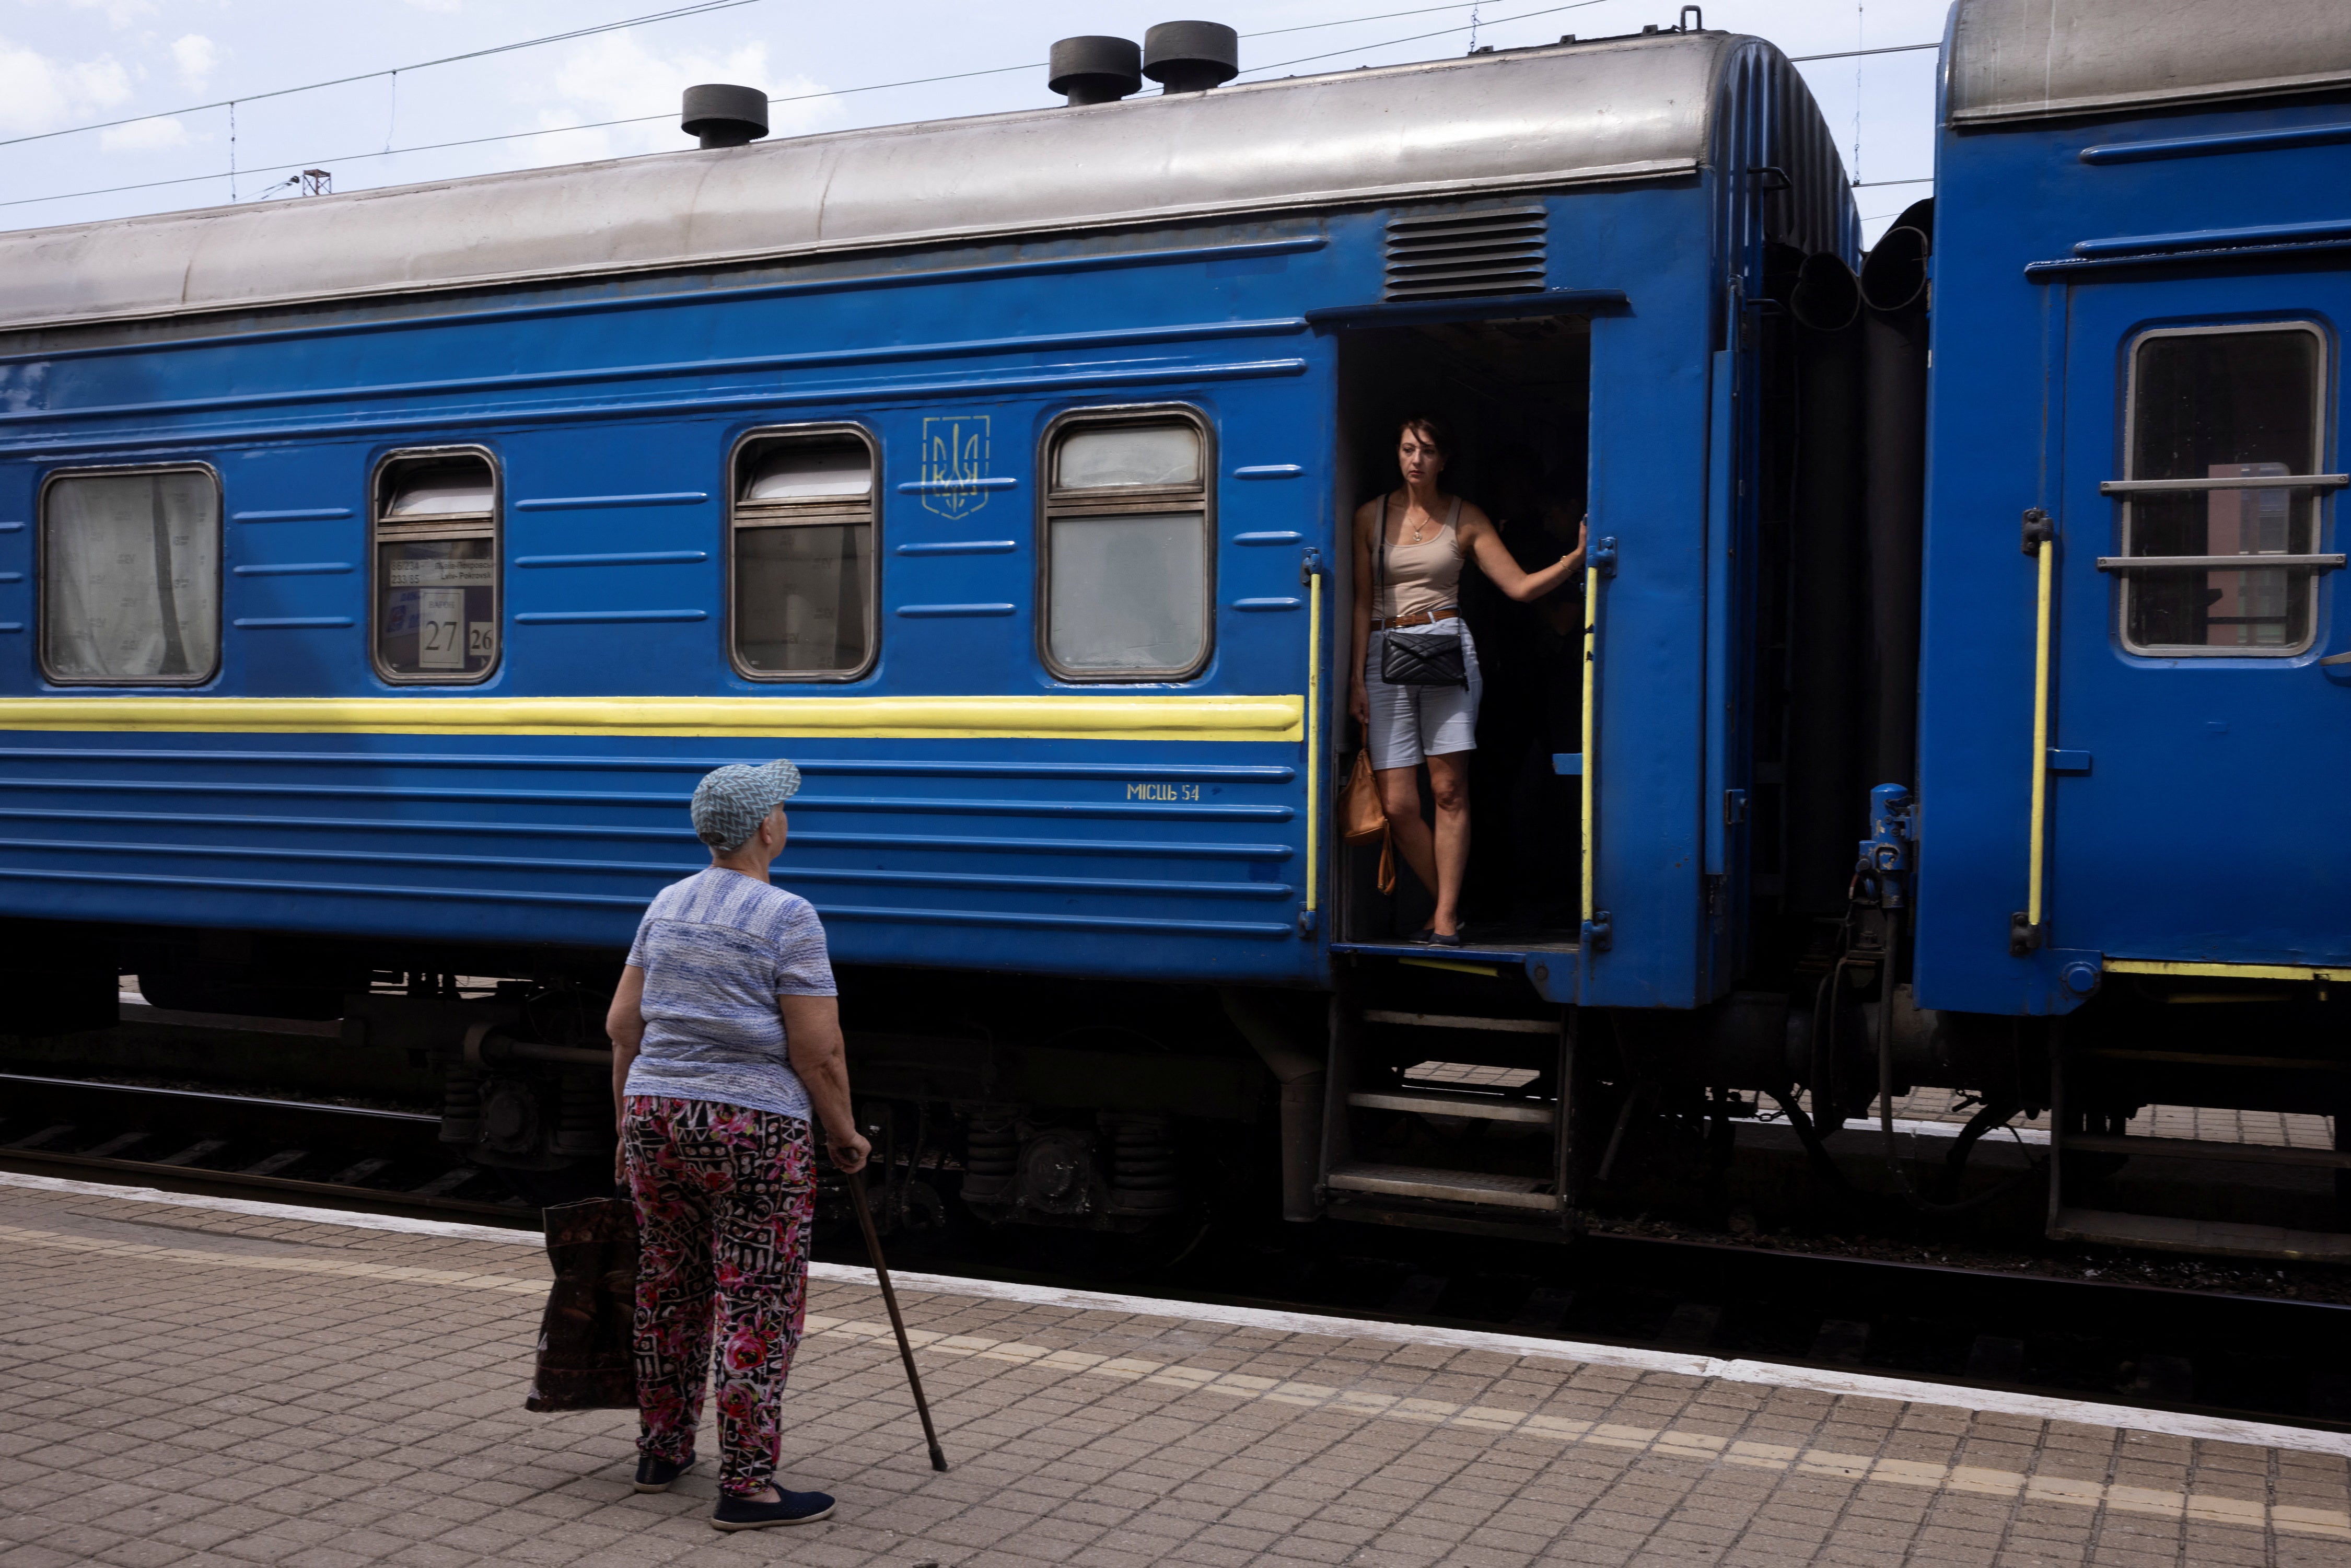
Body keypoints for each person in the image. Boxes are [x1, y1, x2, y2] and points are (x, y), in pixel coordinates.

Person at [604, 758, 872, 1532]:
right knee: (757, 1300)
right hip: (751, 1130)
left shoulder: (667, 903)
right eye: (783, 809)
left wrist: (627, 1123)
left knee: (668, 1283)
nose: (787, 820)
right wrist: (844, 1133)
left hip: (657, 1113)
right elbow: (817, 1051)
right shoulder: (789, 916)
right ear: (765, 827)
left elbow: (624, 1026)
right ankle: (748, 1486)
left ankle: (661, 1451)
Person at [1349, 416, 1585, 945]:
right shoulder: (1371, 516)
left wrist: (1574, 559)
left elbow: (1521, 589)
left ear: (1444, 459)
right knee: (1400, 805)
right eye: (1407, 448)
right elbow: (1363, 601)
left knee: (1450, 790)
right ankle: (1458, 901)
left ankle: (1447, 920)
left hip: (1447, 648)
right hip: (1386, 651)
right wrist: (1355, 679)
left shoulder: (1466, 517)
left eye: (1427, 451)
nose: (1415, 460)